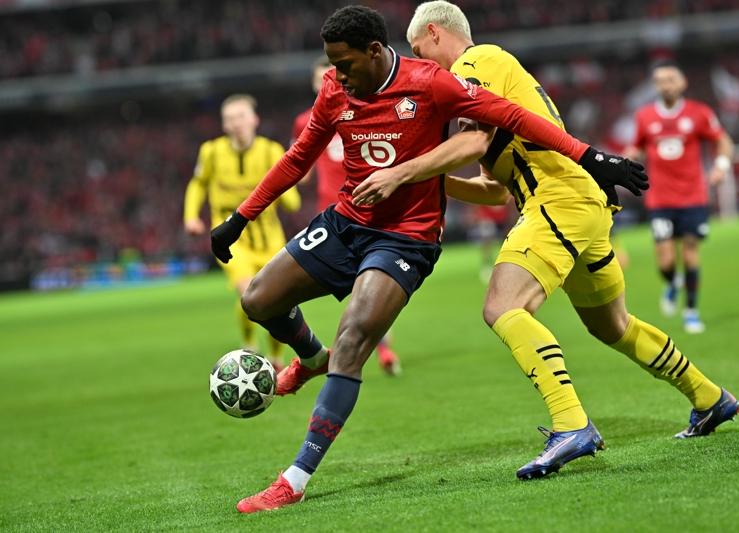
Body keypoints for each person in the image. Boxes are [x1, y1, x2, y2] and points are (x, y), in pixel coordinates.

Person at [210, 5, 645, 512]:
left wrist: (589, 155)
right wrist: (240, 218)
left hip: (405, 238)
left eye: (345, 63)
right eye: (332, 64)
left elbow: (509, 115)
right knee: (258, 300)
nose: (338, 74)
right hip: (347, 220)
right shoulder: (333, 90)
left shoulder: (430, 83)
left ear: (375, 51)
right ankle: (310, 358)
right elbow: (297, 157)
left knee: (353, 339)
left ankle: (294, 479)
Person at [353, 0, 739, 481]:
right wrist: (429, 181)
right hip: (577, 203)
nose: (420, 63)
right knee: (613, 326)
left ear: (435, 33)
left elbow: (474, 143)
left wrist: (402, 171)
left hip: (557, 201)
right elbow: (495, 189)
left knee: (503, 306)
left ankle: (571, 423)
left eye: (418, 50)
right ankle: (709, 397)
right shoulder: (486, 80)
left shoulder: (476, 62)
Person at [292, 56, 402, 375]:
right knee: (360, 285)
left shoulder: (362, 108)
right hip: (331, 211)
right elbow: (302, 169)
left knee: (370, 281)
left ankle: (379, 349)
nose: (323, 83)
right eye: (318, 79)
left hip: (366, 205)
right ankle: (375, 349)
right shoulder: (305, 121)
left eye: (327, 76)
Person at [184, 94, 301, 369]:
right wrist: (191, 217)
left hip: (270, 237)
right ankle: (250, 345)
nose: (235, 123)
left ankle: (275, 357)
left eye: (240, 116)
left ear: (254, 120)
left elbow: (291, 199)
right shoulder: (211, 151)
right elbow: (198, 183)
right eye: (229, 119)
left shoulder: (270, 151)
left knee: (279, 298)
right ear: (224, 124)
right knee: (249, 292)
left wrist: (289, 193)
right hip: (232, 239)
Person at [624, 60, 734, 333]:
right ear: (655, 86)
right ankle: (673, 282)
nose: (666, 85)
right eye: (660, 81)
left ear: (682, 83)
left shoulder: (699, 113)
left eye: (671, 79)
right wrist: (627, 159)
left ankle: (691, 311)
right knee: (665, 262)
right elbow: (637, 146)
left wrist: (721, 167)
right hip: (660, 200)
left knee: (691, 252)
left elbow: (723, 140)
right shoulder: (645, 116)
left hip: (693, 196)